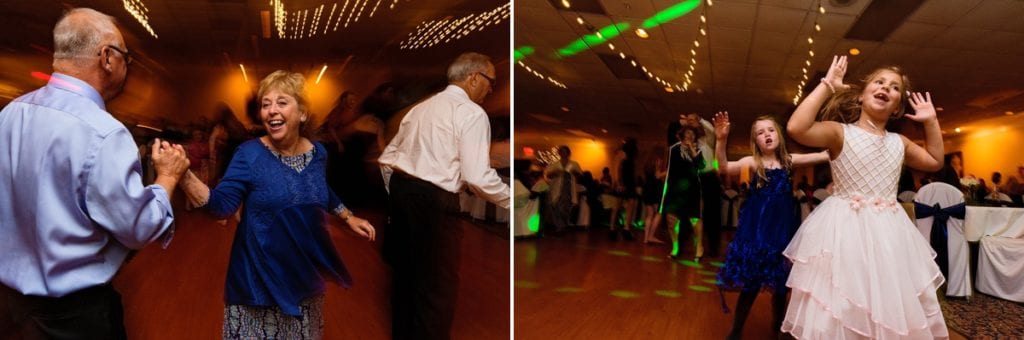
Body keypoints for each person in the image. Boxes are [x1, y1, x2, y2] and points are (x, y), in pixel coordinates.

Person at [0, 8, 190, 339]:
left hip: (12, 305)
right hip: (73, 315)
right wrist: (167, 177)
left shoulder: (11, 113)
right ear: (107, 58)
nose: (125, 68)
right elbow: (137, 228)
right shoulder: (104, 132)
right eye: (126, 59)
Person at [178, 70, 376, 339]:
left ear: (302, 113)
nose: (271, 111)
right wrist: (183, 174)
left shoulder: (318, 153)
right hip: (257, 282)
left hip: (303, 279)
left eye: (282, 102)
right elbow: (222, 206)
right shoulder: (249, 154)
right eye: (265, 104)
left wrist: (348, 216)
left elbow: (319, 188)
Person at [782, 55, 947, 338]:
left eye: (895, 88)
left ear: (897, 108)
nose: (886, 88)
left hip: (890, 236)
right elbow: (797, 128)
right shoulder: (839, 133)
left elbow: (934, 161)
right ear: (861, 96)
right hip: (845, 231)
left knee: (889, 299)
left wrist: (930, 122)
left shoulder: (900, 142)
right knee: (844, 300)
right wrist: (827, 86)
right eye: (880, 82)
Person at [378, 52, 510, 339]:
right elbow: (477, 178)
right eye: (491, 82)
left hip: (402, 196)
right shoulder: (472, 113)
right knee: (436, 289)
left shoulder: (420, 109)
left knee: (405, 280)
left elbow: (387, 158)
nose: (491, 89)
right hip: (434, 205)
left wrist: (400, 192)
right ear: (474, 77)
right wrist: (512, 200)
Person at [711, 112, 829, 339]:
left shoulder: (789, 161)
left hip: (782, 232)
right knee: (751, 285)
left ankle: (778, 328)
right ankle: (736, 331)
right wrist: (721, 139)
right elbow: (723, 167)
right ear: (755, 140)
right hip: (757, 233)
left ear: (779, 135)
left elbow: (824, 155)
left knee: (781, 285)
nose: (766, 135)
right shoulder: (754, 162)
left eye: (771, 130)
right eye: (760, 133)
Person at [662, 126, 706, 260]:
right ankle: (675, 247)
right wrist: (666, 192)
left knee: (694, 219)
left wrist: (692, 150)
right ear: (682, 135)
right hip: (675, 191)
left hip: (692, 190)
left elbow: (701, 166)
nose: (690, 135)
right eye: (687, 133)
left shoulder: (697, 150)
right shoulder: (673, 149)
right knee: (671, 221)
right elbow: (669, 170)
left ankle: (699, 247)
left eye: (692, 134)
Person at [543, 145, 581, 235]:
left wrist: (572, 172)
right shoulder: (555, 165)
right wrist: (555, 173)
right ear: (559, 153)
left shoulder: (574, 164)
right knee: (557, 207)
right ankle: (560, 227)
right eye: (561, 151)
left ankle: (563, 225)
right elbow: (548, 175)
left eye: (565, 151)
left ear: (568, 153)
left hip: (569, 189)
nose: (563, 153)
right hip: (557, 189)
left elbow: (579, 174)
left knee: (565, 208)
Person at [609, 138, 639, 241]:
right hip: (623, 182)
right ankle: (612, 229)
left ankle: (626, 229)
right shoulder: (622, 153)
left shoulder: (631, 156)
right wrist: (618, 183)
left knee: (630, 205)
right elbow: (616, 168)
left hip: (630, 183)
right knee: (617, 206)